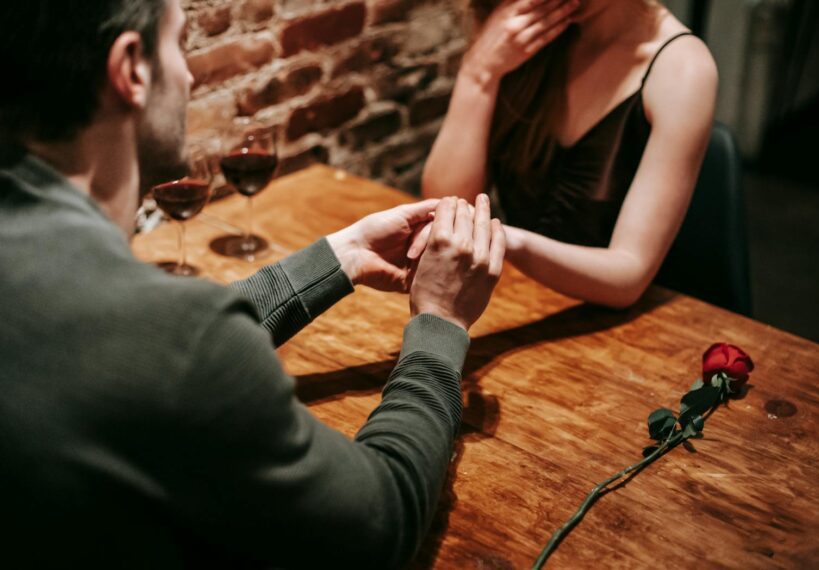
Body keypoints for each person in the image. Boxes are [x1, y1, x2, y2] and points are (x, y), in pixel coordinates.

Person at [0, 0, 505, 567]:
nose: (190, 76)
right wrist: (439, 323)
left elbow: (129, 352)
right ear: (132, 69)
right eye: (180, 43)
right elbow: (377, 523)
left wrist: (342, 256)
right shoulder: (170, 339)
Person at [422, 0, 718, 308]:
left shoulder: (683, 69)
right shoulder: (527, 28)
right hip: (515, 299)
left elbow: (628, 276)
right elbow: (447, 203)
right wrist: (478, 74)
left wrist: (507, 239)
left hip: (623, 328)